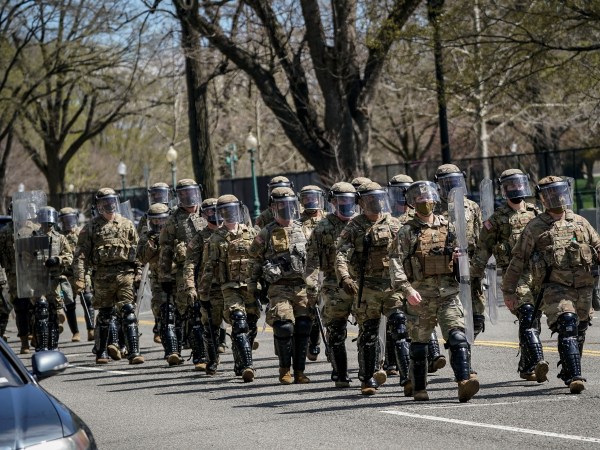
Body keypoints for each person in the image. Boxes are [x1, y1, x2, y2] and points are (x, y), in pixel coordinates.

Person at [502, 176, 600, 394]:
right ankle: (575, 377)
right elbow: (518, 260)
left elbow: (597, 246)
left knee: (580, 329)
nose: (556, 197)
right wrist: (508, 291)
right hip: (555, 288)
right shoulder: (535, 227)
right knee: (567, 323)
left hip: (583, 287)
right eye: (549, 194)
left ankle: (568, 369)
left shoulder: (580, 222)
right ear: (543, 199)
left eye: (559, 192)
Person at [390, 181, 480, 402]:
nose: (426, 203)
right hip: (420, 297)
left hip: (448, 293)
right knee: (419, 346)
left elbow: (462, 251)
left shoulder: (447, 226)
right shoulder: (407, 231)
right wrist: (407, 289)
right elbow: (395, 263)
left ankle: (464, 381)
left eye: (429, 198)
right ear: (413, 203)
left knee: (458, 337)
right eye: (420, 200)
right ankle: (419, 387)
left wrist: (459, 259)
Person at [471, 169, 546, 381]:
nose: (516, 189)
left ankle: (526, 366)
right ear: (504, 190)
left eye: (518, 184)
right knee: (527, 314)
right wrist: (472, 277)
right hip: (515, 275)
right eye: (510, 186)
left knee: (534, 320)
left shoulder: (536, 213)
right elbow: (482, 251)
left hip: (538, 274)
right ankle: (539, 360)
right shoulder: (496, 220)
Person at [335, 181, 403, 395]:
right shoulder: (354, 227)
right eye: (369, 199)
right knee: (369, 334)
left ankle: (408, 377)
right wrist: (345, 278)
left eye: (378, 198)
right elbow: (341, 254)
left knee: (400, 328)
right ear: (361, 202)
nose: (375, 203)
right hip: (367, 288)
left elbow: (409, 252)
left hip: (392, 287)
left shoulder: (394, 224)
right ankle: (367, 378)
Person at [248, 186, 313, 384]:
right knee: (284, 327)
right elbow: (254, 260)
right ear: (273, 208)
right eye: (280, 206)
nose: (286, 210)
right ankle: (285, 369)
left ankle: (300, 371)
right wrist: (253, 287)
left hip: (301, 286)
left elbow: (315, 258)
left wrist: (316, 282)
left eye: (289, 205)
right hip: (279, 286)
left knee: (303, 325)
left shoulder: (304, 229)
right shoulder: (265, 233)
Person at [73, 188, 144, 365]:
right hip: (102, 276)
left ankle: (134, 352)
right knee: (105, 315)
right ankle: (102, 352)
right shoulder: (90, 228)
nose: (109, 206)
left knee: (128, 312)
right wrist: (80, 278)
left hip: (124, 275)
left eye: (111, 202)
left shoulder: (127, 224)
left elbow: (137, 251)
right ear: (98, 206)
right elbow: (80, 255)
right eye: (104, 203)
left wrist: (138, 272)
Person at [196, 195, 259, 381]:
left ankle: (240, 363)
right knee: (238, 322)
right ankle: (248, 366)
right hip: (229, 287)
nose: (229, 214)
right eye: (224, 211)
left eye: (232, 210)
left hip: (250, 287)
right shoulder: (216, 238)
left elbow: (260, 260)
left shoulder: (252, 233)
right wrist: (204, 296)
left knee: (251, 326)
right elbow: (208, 268)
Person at [305, 181, 357, 387]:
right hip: (334, 285)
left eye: (350, 200)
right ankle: (340, 373)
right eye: (341, 200)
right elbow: (312, 261)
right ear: (333, 202)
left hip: (361, 283)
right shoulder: (322, 228)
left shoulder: (360, 224)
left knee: (370, 326)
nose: (346, 204)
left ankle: (372, 369)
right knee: (336, 329)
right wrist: (311, 287)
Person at [159, 179, 206, 368]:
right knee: (191, 313)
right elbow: (165, 250)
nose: (189, 197)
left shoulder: (207, 213)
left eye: (191, 192)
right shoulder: (173, 220)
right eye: (183, 193)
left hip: (208, 270)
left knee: (207, 312)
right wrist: (164, 276)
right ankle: (199, 356)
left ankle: (213, 348)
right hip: (183, 272)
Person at [434, 164, 485, 338]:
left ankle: (466, 347)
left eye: (454, 181)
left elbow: (481, 239)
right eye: (446, 182)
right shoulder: (433, 208)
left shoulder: (471, 207)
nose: (451, 186)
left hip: (470, 267)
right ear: (439, 184)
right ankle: (462, 359)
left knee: (476, 319)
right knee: (456, 321)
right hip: (444, 267)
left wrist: (480, 265)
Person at [180, 198, 222, 369]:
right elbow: (189, 264)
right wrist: (190, 286)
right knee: (208, 324)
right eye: (210, 212)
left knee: (242, 321)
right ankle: (210, 360)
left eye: (217, 210)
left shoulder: (231, 232)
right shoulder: (199, 238)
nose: (214, 215)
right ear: (204, 215)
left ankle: (243, 362)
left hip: (231, 285)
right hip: (208, 287)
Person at [31, 206, 74, 351]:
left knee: (54, 312)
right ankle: (41, 345)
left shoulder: (60, 238)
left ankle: (53, 346)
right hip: (38, 280)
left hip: (54, 280)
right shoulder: (34, 237)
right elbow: (23, 258)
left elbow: (69, 257)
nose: (46, 222)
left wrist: (58, 260)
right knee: (41, 311)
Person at [136, 203, 170, 345]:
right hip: (157, 276)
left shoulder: (172, 233)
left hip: (174, 275)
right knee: (158, 307)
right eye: (155, 220)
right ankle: (161, 331)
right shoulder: (146, 237)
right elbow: (143, 257)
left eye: (162, 220)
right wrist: (152, 243)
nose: (159, 223)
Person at [298, 185, 326, 361]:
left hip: (328, 270)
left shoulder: (329, 220)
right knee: (312, 310)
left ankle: (333, 347)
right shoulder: (298, 224)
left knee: (330, 311)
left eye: (314, 197)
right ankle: (313, 343)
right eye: (306, 198)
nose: (311, 201)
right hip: (307, 270)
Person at [58, 207, 88, 342]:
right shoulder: (58, 236)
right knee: (69, 302)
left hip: (82, 271)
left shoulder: (81, 232)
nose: (67, 223)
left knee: (87, 298)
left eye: (70, 219)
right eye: (64, 220)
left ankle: (91, 329)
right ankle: (75, 332)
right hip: (66, 274)